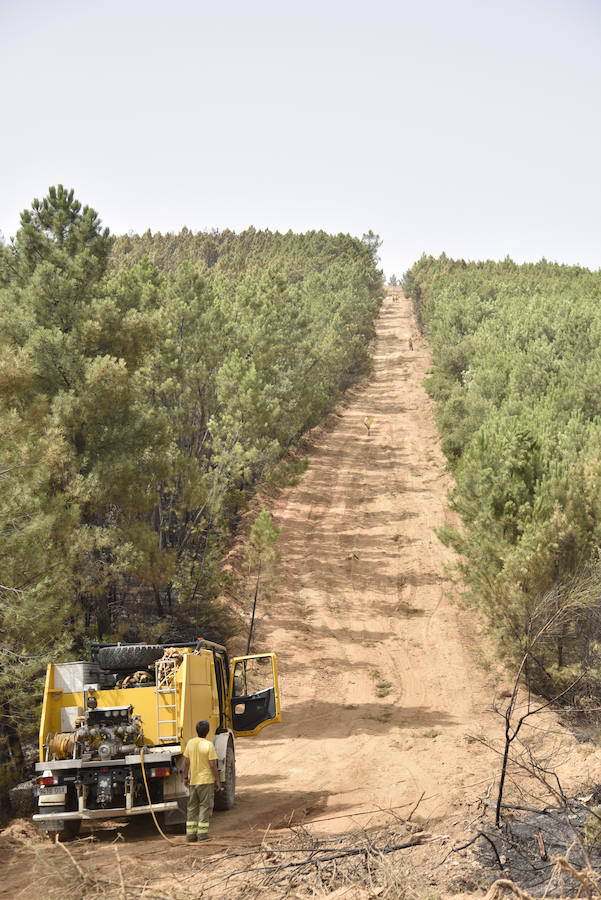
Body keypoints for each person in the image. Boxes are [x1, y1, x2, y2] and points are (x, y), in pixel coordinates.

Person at [183, 720, 221, 842]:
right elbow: (212, 765)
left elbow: (187, 762)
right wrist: (217, 780)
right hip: (206, 781)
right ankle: (202, 835)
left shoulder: (190, 743)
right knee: (205, 807)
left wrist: (185, 777)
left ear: (196, 730)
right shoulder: (208, 745)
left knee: (192, 808)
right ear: (208, 731)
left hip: (194, 781)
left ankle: (190, 835)